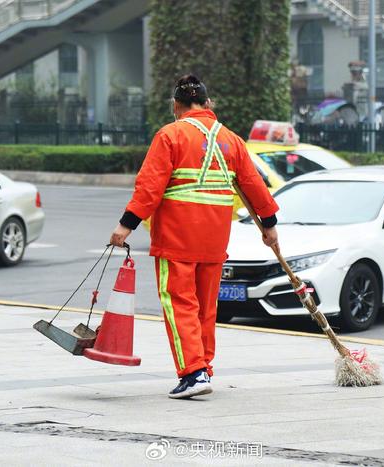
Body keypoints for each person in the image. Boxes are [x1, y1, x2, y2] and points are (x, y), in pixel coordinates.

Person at [110, 74, 279, 399]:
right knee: (204, 307)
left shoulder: (170, 135)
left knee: (179, 303)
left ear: (176, 106)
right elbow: (253, 185)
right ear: (208, 103)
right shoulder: (231, 140)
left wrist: (126, 225)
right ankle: (204, 366)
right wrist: (269, 224)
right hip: (215, 240)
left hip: (177, 237)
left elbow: (150, 187)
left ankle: (194, 373)